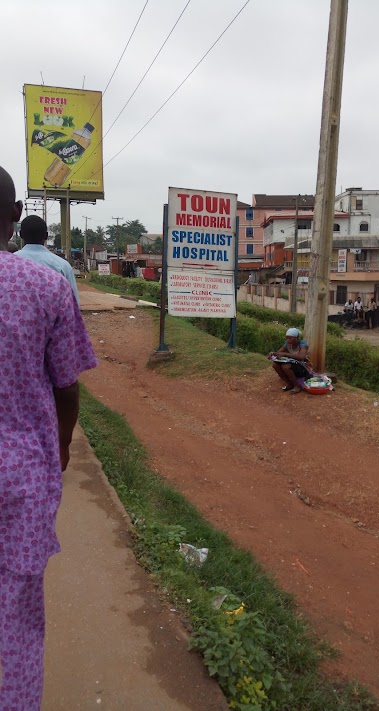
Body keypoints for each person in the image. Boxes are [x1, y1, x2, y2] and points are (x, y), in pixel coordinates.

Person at [0, 166, 97, 710]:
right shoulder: (48, 285)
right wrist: (59, 448)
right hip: (23, 478)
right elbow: (67, 387)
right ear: (14, 216)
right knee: (17, 618)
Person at [15, 214, 80, 304]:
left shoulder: (8, 264)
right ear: (46, 236)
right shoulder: (63, 266)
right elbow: (74, 304)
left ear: (21, 234)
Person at [268, 328, 312, 394]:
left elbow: (301, 357)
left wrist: (285, 354)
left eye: (290, 338)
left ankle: (297, 386)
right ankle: (289, 383)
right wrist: (273, 354)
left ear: (296, 338)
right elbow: (279, 352)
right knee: (275, 364)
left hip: (302, 368)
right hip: (294, 365)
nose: (288, 340)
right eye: (287, 338)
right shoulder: (288, 344)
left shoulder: (303, 344)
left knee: (285, 366)